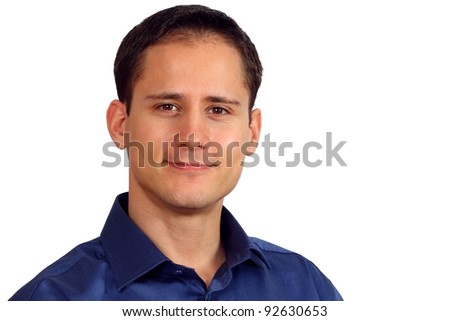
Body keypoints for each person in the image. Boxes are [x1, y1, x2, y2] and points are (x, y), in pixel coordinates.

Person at [10, 5, 342, 301]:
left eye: (218, 110)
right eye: (167, 106)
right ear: (120, 124)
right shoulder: (53, 301)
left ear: (251, 132)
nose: (193, 137)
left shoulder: (306, 289)